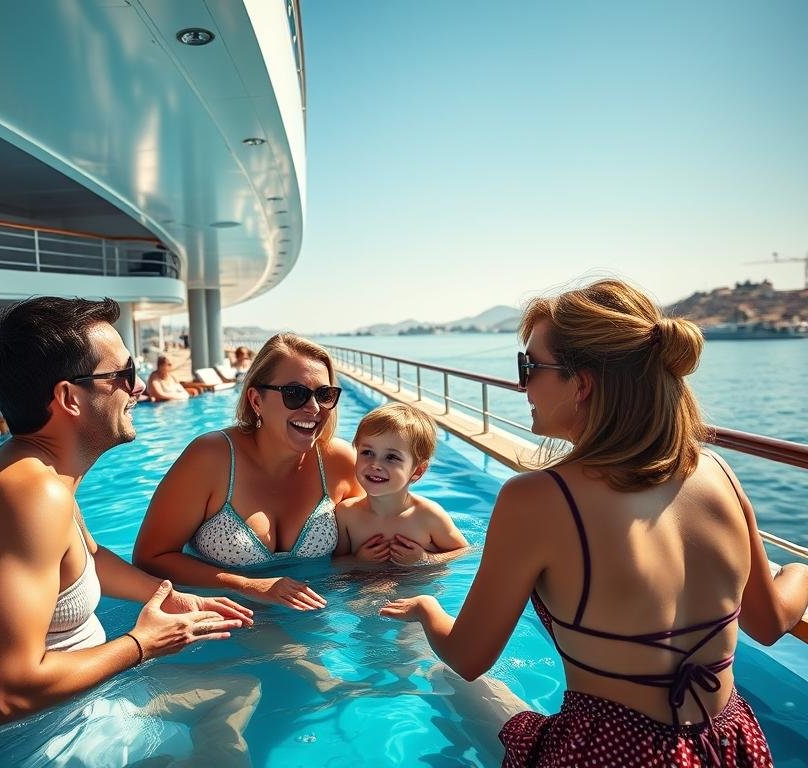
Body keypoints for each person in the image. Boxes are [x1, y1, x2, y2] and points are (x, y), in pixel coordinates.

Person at [380, 279, 808, 766]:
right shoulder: (718, 472)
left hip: (610, 753)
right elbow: (769, 624)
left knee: (452, 684)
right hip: (729, 744)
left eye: (529, 367)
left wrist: (427, 610)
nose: (522, 386)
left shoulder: (537, 499)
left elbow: (468, 658)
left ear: (581, 384)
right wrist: (800, 571)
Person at [0, 297, 253, 738]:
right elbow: (2, 698)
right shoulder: (32, 495)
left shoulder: (33, 472)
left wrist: (171, 596)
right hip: (25, 745)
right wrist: (142, 644)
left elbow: (89, 559)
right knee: (238, 692)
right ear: (69, 398)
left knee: (235, 689)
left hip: (47, 720)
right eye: (124, 374)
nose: (138, 388)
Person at [134, 333, 362, 610]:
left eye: (324, 395)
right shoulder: (211, 459)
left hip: (322, 618)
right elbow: (150, 558)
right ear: (256, 400)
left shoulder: (340, 462)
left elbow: (376, 538)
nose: (314, 408)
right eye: (295, 394)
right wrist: (244, 585)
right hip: (225, 618)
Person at [334, 402, 469, 565]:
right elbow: (337, 563)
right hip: (365, 579)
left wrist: (426, 559)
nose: (375, 464)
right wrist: (358, 560)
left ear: (417, 470)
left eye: (391, 457)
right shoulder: (346, 514)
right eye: (367, 452)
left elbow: (463, 552)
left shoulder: (428, 515)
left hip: (416, 579)